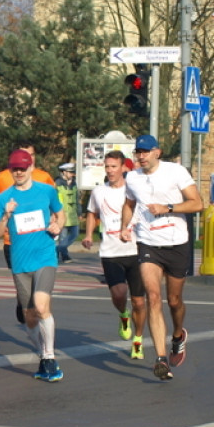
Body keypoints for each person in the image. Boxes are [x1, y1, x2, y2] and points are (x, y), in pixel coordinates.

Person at [119, 134, 203, 381]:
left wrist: (167, 208)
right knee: (153, 297)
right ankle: (161, 359)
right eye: (138, 152)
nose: (141, 156)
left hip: (177, 243)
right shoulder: (132, 177)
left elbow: (197, 203)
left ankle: (178, 335)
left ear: (158, 152)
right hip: (148, 243)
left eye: (145, 151)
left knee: (174, 300)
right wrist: (125, 227)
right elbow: (129, 204)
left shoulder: (175, 172)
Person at [0, 149, 66, 382]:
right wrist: (5, 216)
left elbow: (60, 214)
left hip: (45, 257)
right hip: (20, 262)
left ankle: (50, 358)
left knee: (42, 307)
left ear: (31, 167)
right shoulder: (4, 198)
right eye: (15, 168)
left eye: (23, 168)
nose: (19, 172)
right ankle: (42, 353)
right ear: (10, 170)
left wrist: (58, 226)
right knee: (30, 318)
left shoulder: (47, 191)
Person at [83, 149, 147, 359]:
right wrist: (89, 235)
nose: (110, 171)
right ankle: (123, 315)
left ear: (123, 168)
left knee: (139, 301)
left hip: (135, 250)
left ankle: (137, 339)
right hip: (110, 252)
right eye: (107, 166)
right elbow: (92, 213)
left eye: (114, 167)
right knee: (119, 294)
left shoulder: (133, 191)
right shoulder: (98, 192)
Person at [0, 142, 55, 323]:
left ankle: (38, 308)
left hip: (41, 241)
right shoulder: (3, 178)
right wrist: (0, 221)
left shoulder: (44, 178)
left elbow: (53, 202)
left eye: (30, 155)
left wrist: (55, 221)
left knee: (40, 298)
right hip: (13, 242)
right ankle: (26, 303)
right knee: (25, 286)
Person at [55, 163, 80, 263]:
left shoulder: (74, 183)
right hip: (62, 214)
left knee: (75, 234)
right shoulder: (57, 183)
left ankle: (57, 250)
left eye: (72, 172)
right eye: (70, 172)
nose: (72, 174)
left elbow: (77, 199)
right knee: (63, 236)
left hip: (73, 214)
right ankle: (63, 256)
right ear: (63, 172)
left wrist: (79, 211)